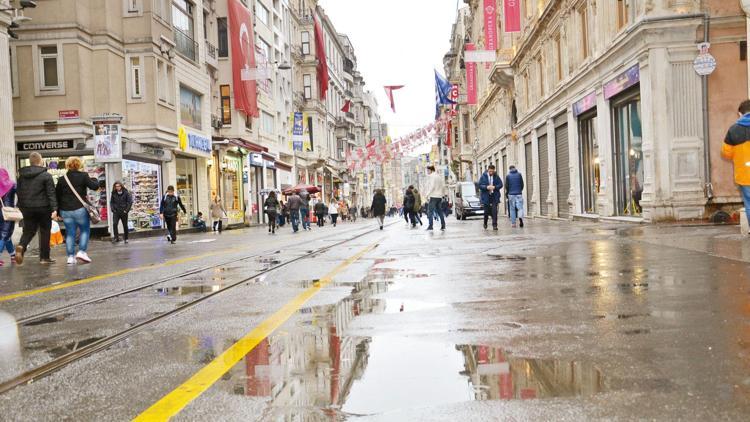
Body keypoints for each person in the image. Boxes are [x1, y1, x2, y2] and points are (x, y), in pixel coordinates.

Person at [56, 156, 101, 264]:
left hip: (65, 210)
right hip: (80, 209)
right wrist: (95, 179)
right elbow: (94, 186)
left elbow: (57, 195)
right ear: (79, 165)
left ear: (67, 165)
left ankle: (70, 257)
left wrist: (58, 212)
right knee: (84, 230)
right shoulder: (83, 176)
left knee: (70, 233)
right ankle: (82, 251)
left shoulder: (62, 179)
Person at [15, 153, 58, 265]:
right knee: (44, 232)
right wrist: (54, 209)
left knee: (28, 230)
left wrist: (20, 206)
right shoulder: (46, 175)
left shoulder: (22, 176)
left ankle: (21, 246)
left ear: (30, 162)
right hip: (43, 207)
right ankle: (44, 258)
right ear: (40, 161)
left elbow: (19, 192)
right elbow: (51, 193)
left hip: (27, 208)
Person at [723, 99, 750, 232]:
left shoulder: (733, 130)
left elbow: (726, 153)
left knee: (749, 203)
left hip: (744, 174)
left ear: (740, 114)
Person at [0, 168, 17, 266]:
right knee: (5, 234)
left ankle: (13, 255)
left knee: (6, 235)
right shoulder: (12, 184)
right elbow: (21, 194)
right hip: (8, 212)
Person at [479, 165, 503, 231]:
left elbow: (501, 184)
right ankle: (485, 223)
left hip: (494, 196)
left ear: (494, 170)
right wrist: (486, 187)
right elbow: (480, 185)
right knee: (486, 212)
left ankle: (495, 225)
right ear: (488, 170)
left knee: (494, 211)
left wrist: (495, 187)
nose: (491, 173)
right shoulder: (483, 176)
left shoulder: (496, 176)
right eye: (490, 171)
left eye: (492, 171)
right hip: (486, 196)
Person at [423, 165, 446, 231]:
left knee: (430, 211)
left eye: (427, 170)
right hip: (439, 196)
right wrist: (442, 194)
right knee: (439, 211)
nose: (427, 172)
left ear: (430, 170)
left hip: (433, 196)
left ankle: (430, 226)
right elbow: (443, 186)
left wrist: (427, 194)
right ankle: (443, 225)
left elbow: (432, 186)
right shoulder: (439, 176)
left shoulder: (432, 176)